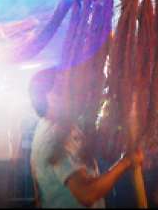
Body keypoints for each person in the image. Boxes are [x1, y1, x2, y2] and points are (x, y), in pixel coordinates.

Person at [29, 67, 143, 208]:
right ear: (48, 97)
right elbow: (87, 194)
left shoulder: (51, 127)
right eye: (62, 87)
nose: (71, 91)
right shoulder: (56, 135)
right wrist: (126, 162)